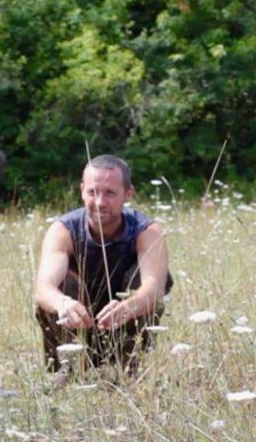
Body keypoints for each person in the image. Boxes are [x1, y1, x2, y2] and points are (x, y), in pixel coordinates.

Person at [33, 154, 172, 372]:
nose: (99, 202)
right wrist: (62, 304)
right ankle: (67, 371)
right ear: (81, 191)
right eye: (92, 192)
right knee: (60, 288)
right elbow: (43, 288)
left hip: (124, 327)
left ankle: (128, 368)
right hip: (76, 328)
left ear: (128, 194)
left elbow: (154, 288)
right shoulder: (63, 231)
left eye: (110, 193)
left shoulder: (147, 231)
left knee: (142, 281)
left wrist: (128, 308)